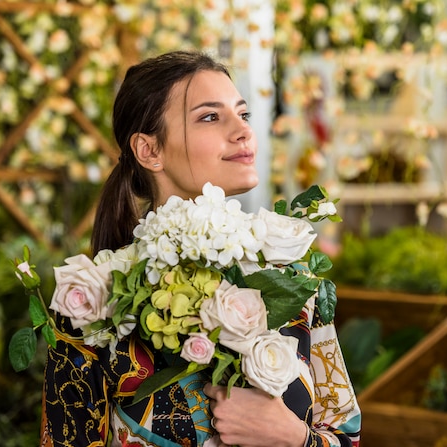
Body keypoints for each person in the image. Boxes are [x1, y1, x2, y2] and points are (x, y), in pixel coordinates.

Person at [40, 50, 361, 447]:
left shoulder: (293, 282)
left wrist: (294, 437)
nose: (243, 131)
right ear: (149, 150)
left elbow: (346, 433)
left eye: (242, 114)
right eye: (210, 116)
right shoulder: (90, 304)